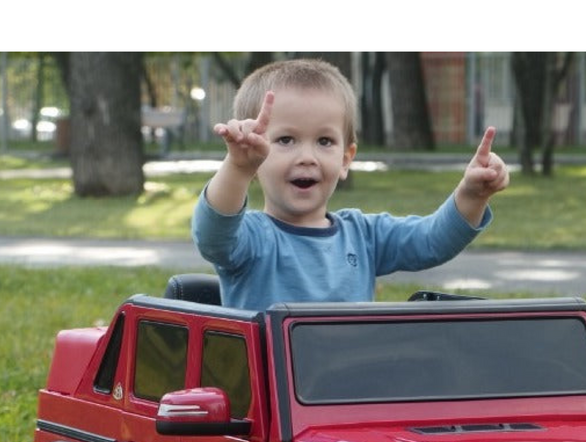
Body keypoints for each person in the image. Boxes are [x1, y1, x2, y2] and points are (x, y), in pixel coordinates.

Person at [191, 58, 509, 311]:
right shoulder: (253, 239)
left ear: (346, 158)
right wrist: (237, 168)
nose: (307, 156)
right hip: (275, 392)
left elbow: (431, 240)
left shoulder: (363, 236)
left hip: (348, 388)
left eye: (325, 141)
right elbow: (212, 236)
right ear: (257, 157)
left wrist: (472, 194)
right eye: (286, 140)